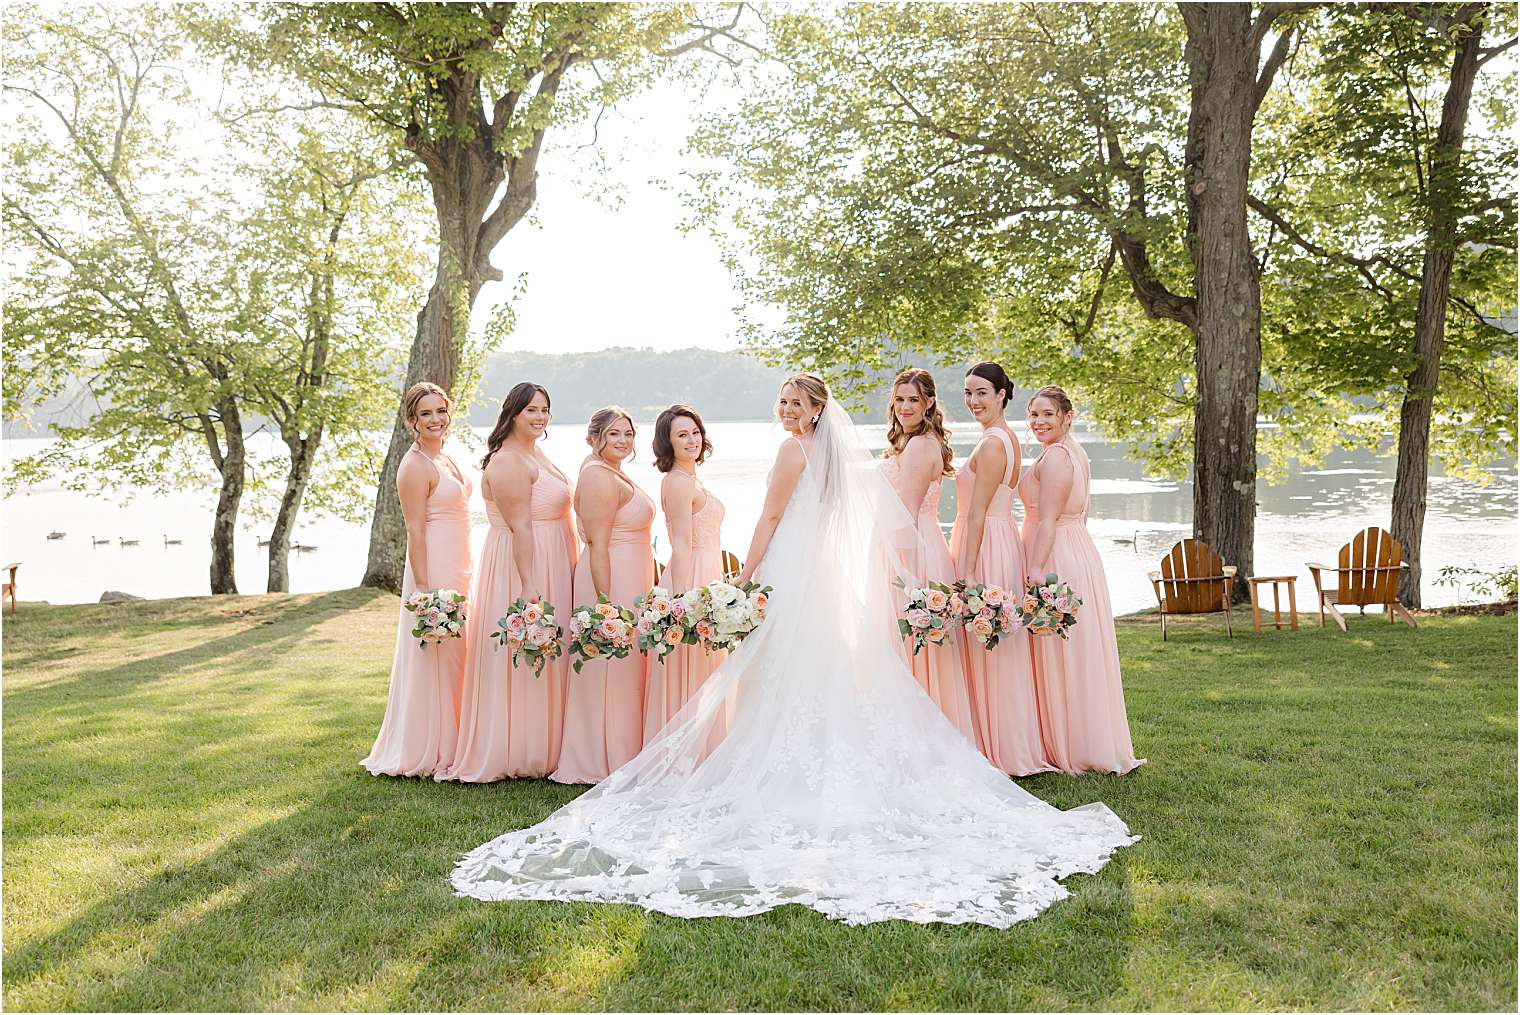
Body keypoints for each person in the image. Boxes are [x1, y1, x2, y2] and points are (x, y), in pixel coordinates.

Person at [453, 374, 1136, 928]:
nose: (784, 410)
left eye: (794, 403)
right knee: (819, 672)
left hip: (787, 569)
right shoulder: (831, 455)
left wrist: (745, 577)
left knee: (776, 673)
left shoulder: (791, 451)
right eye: (781, 401)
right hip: (821, 577)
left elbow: (773, 517)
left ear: (813, 414)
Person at [442, 382, 577, 782]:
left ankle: (550, 743)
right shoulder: (507, 462)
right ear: (513, 413)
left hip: (554, 554)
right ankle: (518, 748)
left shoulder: (535, 453)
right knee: (525, 656)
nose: (539, 417)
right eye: (531, 410)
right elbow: (520, 528)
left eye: (544, 410)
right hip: (527, 563)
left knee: (552, 654)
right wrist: (529, 585)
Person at [1020, 385, 1144, 775]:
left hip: (1056, 552)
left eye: (1047, 415)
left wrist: (1037, 569)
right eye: (1033, 415)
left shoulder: (1057, 456)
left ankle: (1071, 746)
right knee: (1076, 651)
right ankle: (1076, 738)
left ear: (1066, 416)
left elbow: (1049, 518)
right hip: (1075, 547)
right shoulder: (1074, 451)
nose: (1039, 422)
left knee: (1063, 652)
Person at [362, 382, 472, 778]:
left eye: (440, 411)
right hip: (434, 567)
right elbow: (416, 531)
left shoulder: (446, 458)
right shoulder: (413, 466)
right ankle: (432, 747)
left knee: (459, 653)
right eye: (426, 414)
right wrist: (425, 593)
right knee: (437, 655)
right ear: (412, 420)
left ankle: (461, 739)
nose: (435, 420)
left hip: (460, 562)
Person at [950, 362, 1053, 776]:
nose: (974, 401)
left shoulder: (994, 443)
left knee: (990, 649)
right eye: (968, 393)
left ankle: (1002, 748)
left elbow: (976, 514)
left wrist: (967, 571)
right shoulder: (1007, 438)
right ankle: (999, 740)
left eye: (981, 393)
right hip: (999, 537)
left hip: (987, 543)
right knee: (997, 647)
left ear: (1001, 395)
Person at [552, 407, 656, 784]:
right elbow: (596, 543)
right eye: (614, 434)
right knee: (609, 667)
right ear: (595, 437)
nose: (623, 441)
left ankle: (625, 751)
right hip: (610, 578)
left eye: (628, 434)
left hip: (631, 574)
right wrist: (605, 602)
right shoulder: (597, 476)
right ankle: (600, 757)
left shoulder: (612, 470)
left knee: (625, 668)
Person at [878, 368, 978, 744]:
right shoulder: (911, 441)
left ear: (929, 403)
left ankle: (924, 741)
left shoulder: (920, 445)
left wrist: (901, 572)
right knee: (909, 647)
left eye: (914, 400)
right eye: (900, 399)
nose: (905, 407)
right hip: (913, 543)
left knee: (913, 644)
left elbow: (906, 512)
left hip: (912, 551)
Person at [645, 404, 727, 743]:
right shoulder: (677, 482)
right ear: (668, 442)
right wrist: (679, 603)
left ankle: (708, 744)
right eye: (682, 434)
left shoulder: (691, 478)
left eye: (695, 432)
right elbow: (679, 545)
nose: (692, 439)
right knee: (691, 668)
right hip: (690, 578)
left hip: (707, 575)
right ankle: (685, 750)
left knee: (708, 670)